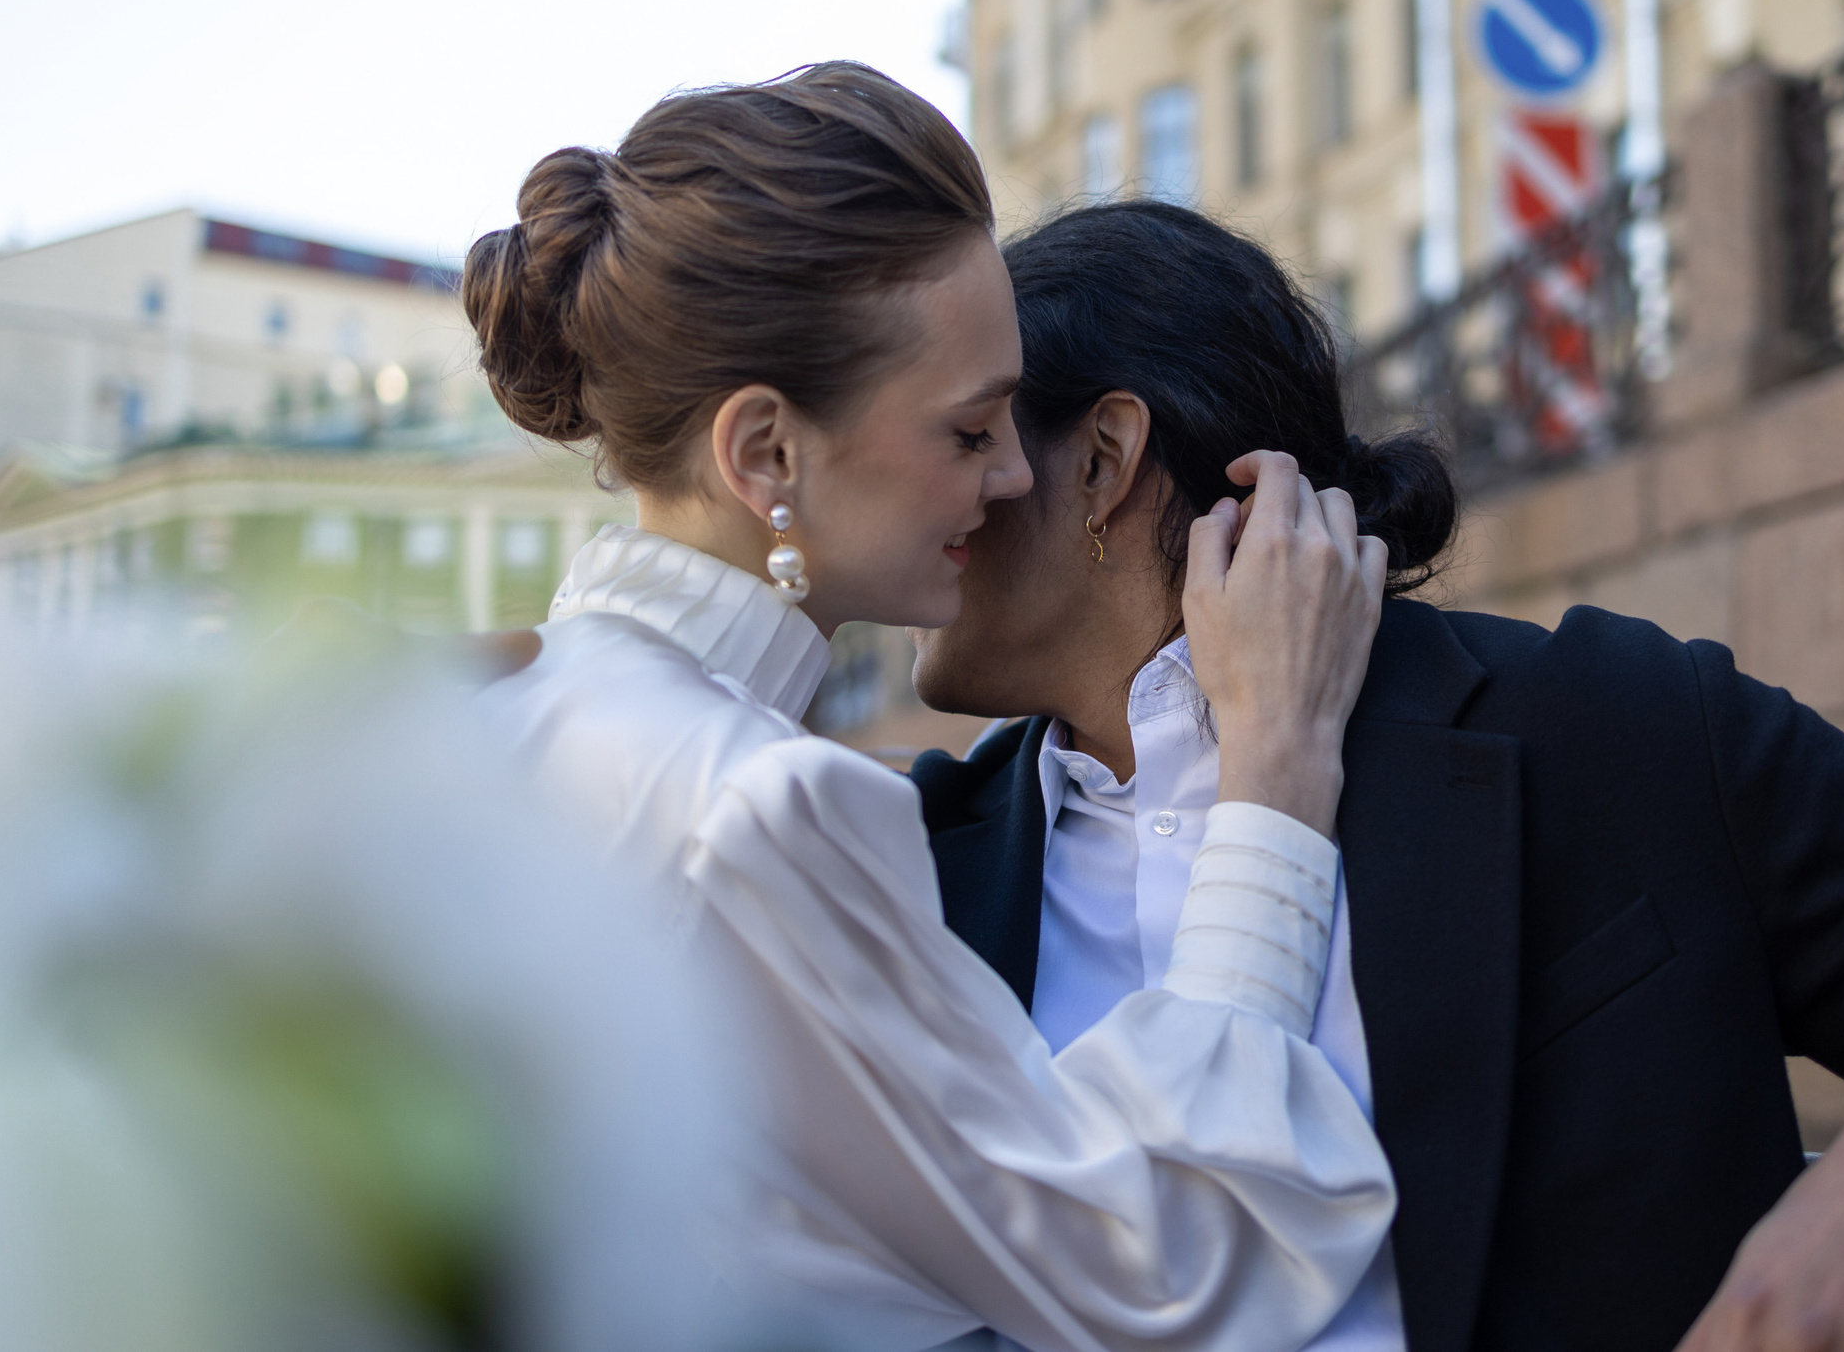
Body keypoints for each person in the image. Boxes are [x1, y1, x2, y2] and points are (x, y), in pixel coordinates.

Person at [906, 198, 1844, 1352]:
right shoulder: (908, 868)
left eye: (968, 435)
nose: (923, 490)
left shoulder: (1608, 724)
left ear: (1101, 463)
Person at [461, 68, 1401, 1352]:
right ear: (765, 456)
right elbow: (1156, 1267)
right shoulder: (757, 807)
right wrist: (1276, 783)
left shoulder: (508, 722)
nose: (1015, 474)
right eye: (969, 432)